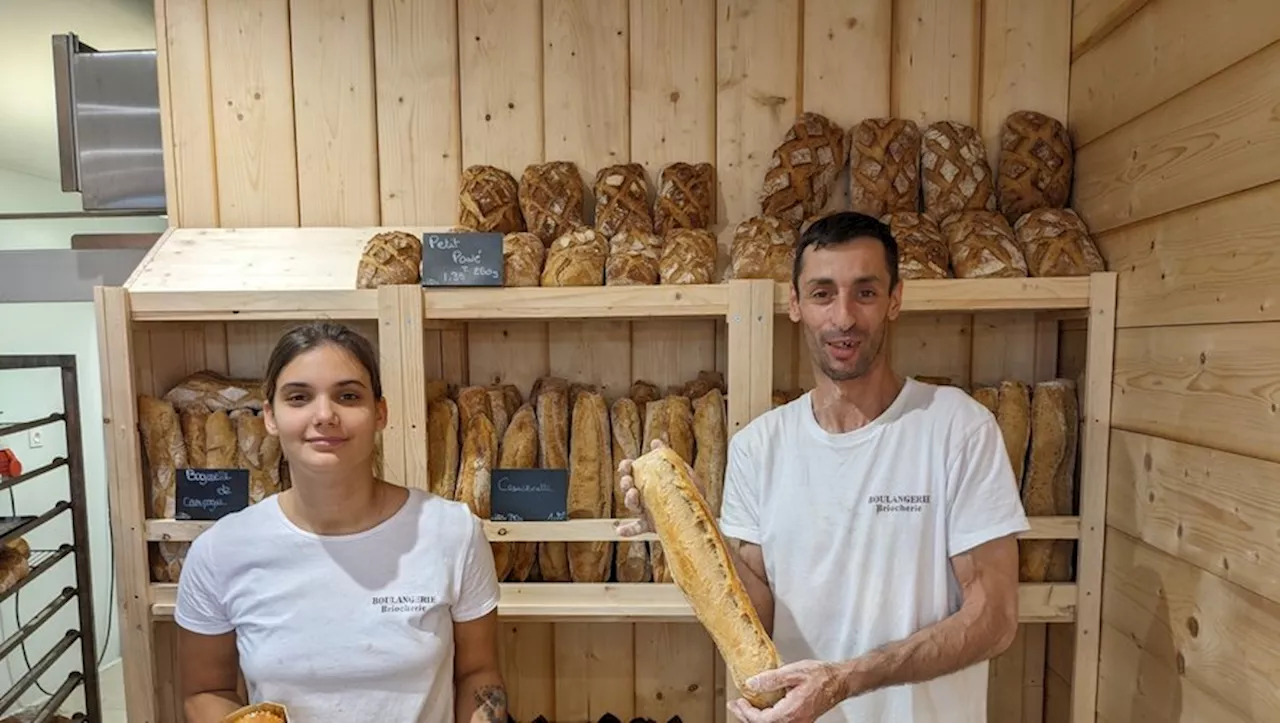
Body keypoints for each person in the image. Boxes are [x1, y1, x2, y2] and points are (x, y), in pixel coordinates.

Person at [619, 212, 1029, 723]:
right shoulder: (759, 447)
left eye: (865, 292)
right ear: (794, 304)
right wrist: (687, 528)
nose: (843, 318)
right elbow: (759, 615)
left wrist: (845, 681)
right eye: (821, 294)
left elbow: (995, 618)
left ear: (894, 299)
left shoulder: (958, 429)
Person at [175, 321, 507, 723]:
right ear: (270, 417)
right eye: (298, 398)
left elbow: (478, 673)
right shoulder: (222, 550)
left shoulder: (451, 532)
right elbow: (205, 690)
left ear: (380, 413)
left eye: (348, 396)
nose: (324, 415)